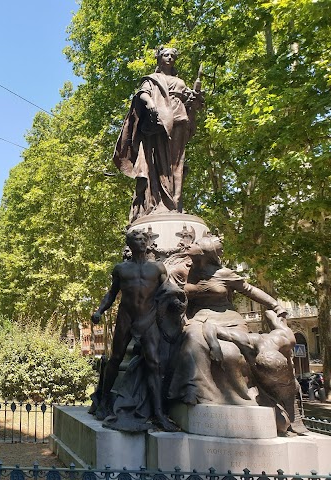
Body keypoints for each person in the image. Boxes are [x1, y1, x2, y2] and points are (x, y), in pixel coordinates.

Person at [167, 236, 288, 407]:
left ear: (206, 251)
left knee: (232, 353)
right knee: (192, 338)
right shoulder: (183, 272)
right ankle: (195, 389)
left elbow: (250, 290)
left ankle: (249, 394)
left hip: (228, 320)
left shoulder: (223, 274)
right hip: (199, 318)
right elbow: (169, 294)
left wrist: (275, 305)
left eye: (195, 244)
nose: (189, 245)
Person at [90, 229, 177, 430]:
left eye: (143, 239)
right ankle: (103, 400)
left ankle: (158, 414)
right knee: (115, 359)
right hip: (126, 318)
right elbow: (111, 295)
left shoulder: (157, 268)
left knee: (154, 363)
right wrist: (99, 311)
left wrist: (176, 301)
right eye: (136, 239)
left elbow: (168, 290)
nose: (141, 242)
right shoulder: (121, 269)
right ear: (130, 244)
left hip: (148, 318)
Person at [114, 46, 204, 223]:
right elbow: (143, 94)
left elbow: (189, 101)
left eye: (172, 55)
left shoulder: (180, 81)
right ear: (159, 58)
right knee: (159, 162)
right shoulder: (153, 79)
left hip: (180, 119)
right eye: (166, 55)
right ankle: (161, 201)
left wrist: (196, 98)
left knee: (177, 163)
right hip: (160, 123)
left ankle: (176, 203)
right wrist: (151, 105)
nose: (169, 58)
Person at [210, 310, 306, 435]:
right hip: (259, 384)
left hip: (286, 378)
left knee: (289, 394)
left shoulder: (286, 338)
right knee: (282, 424)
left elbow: (277, 317)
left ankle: (294, 418)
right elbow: (210, 327)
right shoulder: (246, 340)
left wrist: (274, 312)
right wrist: (214, 345)